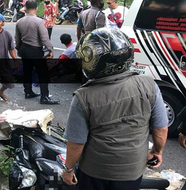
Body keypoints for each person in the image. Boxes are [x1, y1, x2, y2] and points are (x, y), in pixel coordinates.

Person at [62, 28, 168, 190]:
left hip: (94, 172)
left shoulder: (83, 96)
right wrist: (157, 151)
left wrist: (68, 169)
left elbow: (76, 143)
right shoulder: (149, 85)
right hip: (132, 172)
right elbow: (160, 129)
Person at [15, 0, 59, 104]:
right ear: (36, 8)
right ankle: (44, 97)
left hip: (24, 49)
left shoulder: (19, 21)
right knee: (43, 73)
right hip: (35, 50)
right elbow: (44, 38)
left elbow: (17, 38)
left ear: (25, 8)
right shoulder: (39, 21)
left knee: (27, 71)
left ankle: (28, 92)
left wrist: (19, 49)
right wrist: (50, 49)